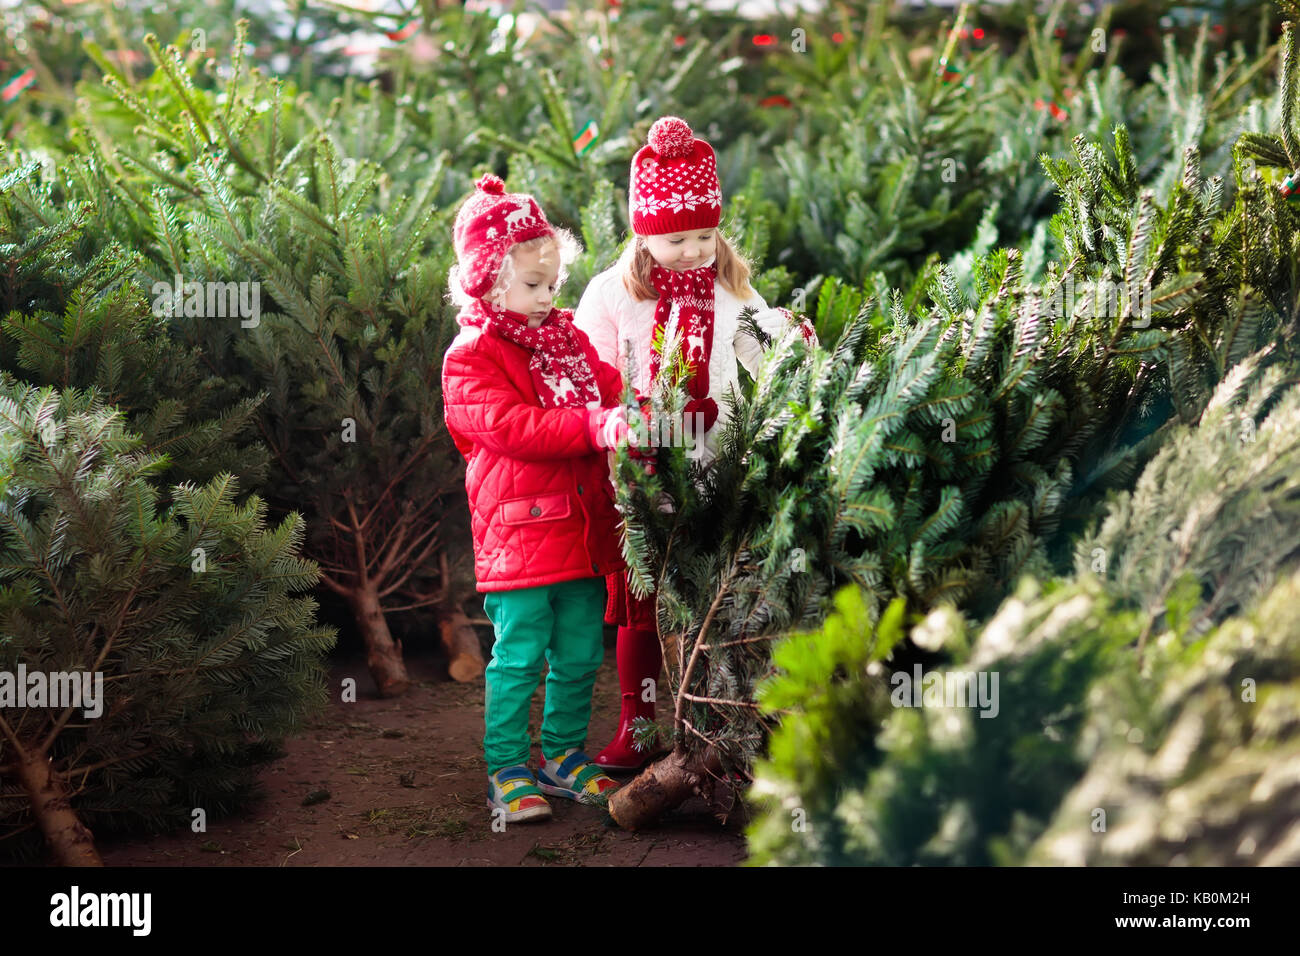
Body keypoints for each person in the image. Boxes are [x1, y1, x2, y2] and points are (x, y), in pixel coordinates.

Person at [572, 116, 817, 770]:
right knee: (642, 605)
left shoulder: (730, 288)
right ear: (644, 232)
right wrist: (629, 416)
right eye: (677, 238)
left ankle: (714, 716)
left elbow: (762, 350)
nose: (693, 250)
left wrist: (791, 338)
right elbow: (588, 374)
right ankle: (637, 719)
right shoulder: (612, 296)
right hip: (646, 478)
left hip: (718, 470)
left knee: (715, 598)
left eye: (705, 235)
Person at [442, 172, 640, 821]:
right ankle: (506, 767)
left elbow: (610, 387)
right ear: (487, 281)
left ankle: (561, 755)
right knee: (520, 655)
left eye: (553, 283)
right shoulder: (471, 356)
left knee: (582, 651)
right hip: (520, 536)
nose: (547, 297)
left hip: (584, 530)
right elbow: (510, 427)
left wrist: (640, 411)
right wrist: (591, 424)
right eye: (532, 286)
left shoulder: (566, 339)